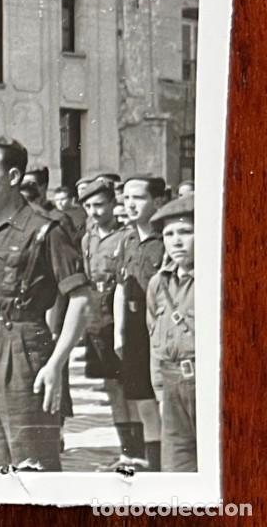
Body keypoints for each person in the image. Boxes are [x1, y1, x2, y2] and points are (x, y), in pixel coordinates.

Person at [0, 137, 89, 471]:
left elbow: (81, 299)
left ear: (14, 176)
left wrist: (56, 364)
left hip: (22, 346)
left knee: (30, 460)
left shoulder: (46, 229)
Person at [78, 177, 142, 469]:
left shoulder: (126, 237)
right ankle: (126, 450)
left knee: (129, 385)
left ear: (112, 204)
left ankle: (138, 452)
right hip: (96, 317)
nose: (94, 211)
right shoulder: (88, 238)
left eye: (99, 205)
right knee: (111, 386)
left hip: (120, 313)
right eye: (89, 206)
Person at [114, 175, 169, 472]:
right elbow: (121, 287)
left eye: (139, 197)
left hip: (159, 331)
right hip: (135, 331)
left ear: (157, 201)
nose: (130, 204)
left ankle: (169, 465)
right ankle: (154, 464)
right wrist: (118, 333)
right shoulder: (127, 240)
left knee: (163, 401)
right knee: (143, 400)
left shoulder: (166, 240)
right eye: (126, 198)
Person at [145, 194, 196, 471]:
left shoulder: (220, 277)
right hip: (173, 384)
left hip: (210, 384)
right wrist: (161, 393)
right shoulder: (159, 283)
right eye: (169, 234)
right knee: (177, 471)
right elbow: (155, 337)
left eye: (186, 232)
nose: (176, 241)